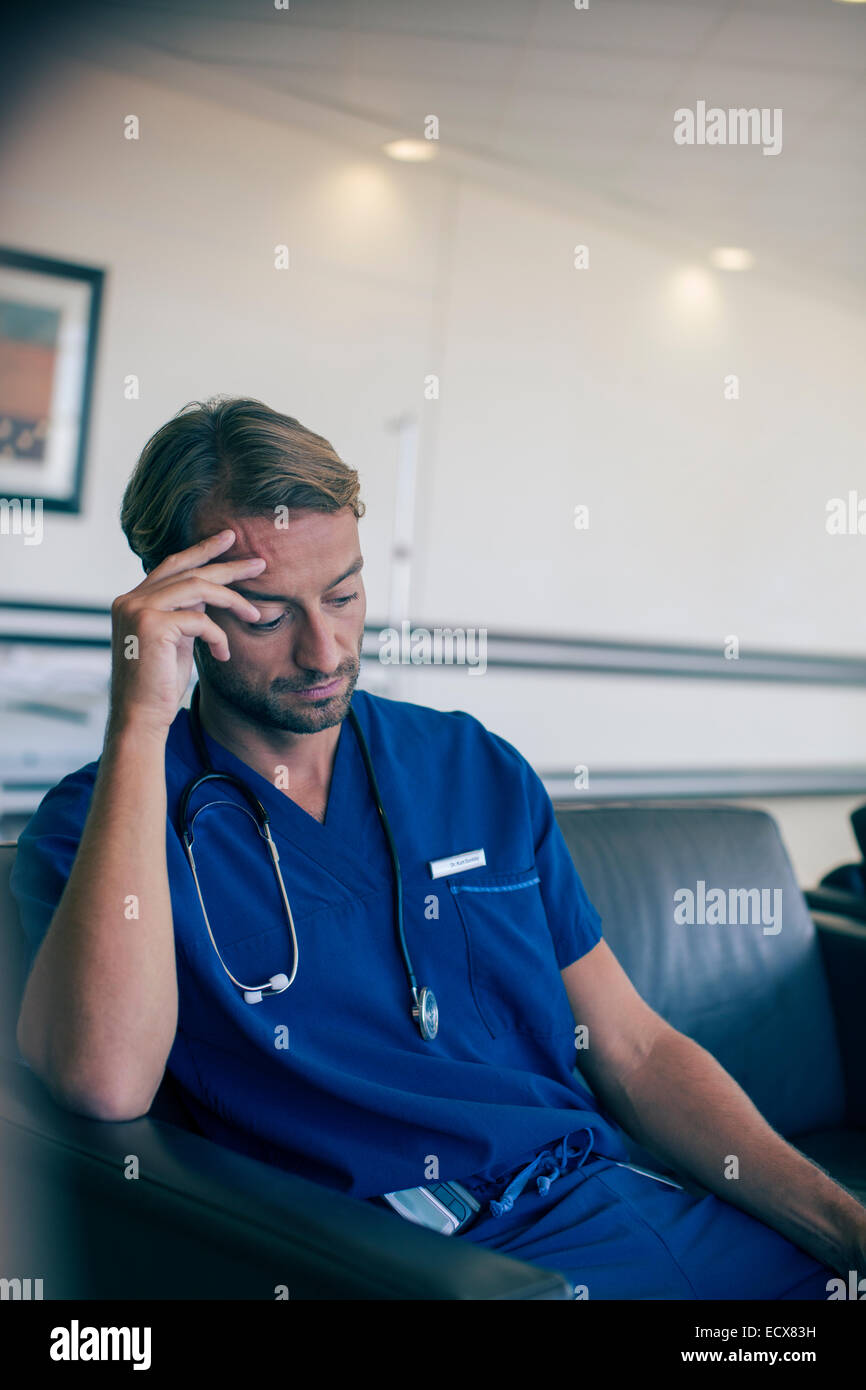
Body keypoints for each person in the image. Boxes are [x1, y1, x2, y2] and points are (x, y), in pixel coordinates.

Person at [11, 397, 866, 1301]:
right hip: (444, 1262)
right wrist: (141, 717)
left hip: (619, 1202)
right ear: (178, 603)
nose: (324, 648)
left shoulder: (471, 766)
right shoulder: (104, 824)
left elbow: (635, 1048)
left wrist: (841, 1226)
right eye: (266, 616)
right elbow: (102, 1086)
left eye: (343, 595)